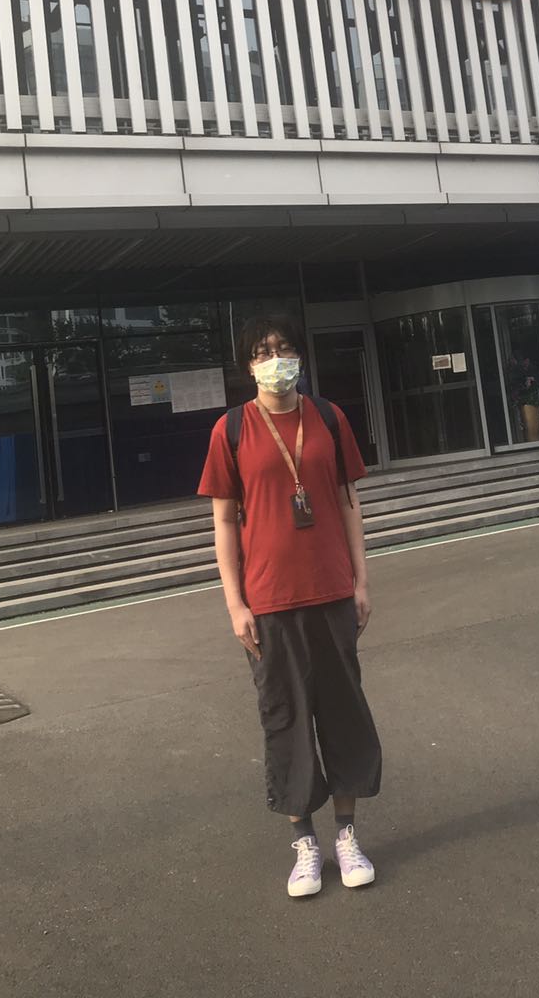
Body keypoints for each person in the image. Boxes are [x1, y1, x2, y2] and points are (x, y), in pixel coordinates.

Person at [198, 312, 382, 898]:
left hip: (330, 590)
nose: (275, 359)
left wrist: (361, 581)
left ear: (300, 355)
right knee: (285, 718)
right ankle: (305, 843)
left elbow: (349, 503)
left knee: (344, 713)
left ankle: (346, 835)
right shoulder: (231, 430)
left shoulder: (328, 418)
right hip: (269, 601)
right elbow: (224, 523)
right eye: (262, 351)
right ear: (247, 366)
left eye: (283, 348)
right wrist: (235, 604)